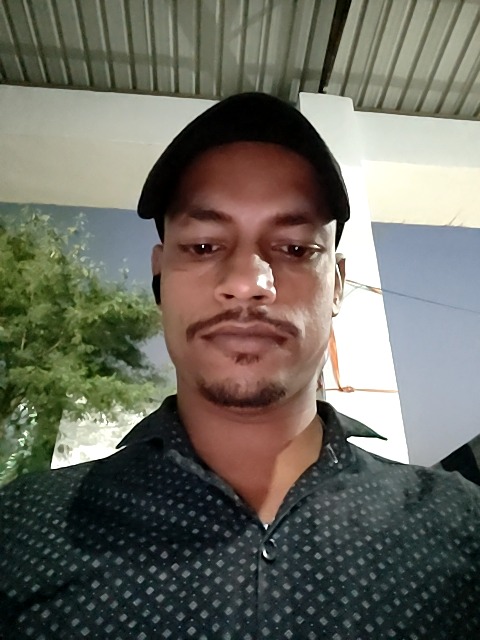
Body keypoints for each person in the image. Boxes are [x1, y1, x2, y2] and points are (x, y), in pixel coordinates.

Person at [0, 93, 479, 639]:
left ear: (337, 285)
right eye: (204, 245)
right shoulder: (20, 532)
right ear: (160, 276)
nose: (248, 282)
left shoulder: (462, 526)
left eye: (295, 249)